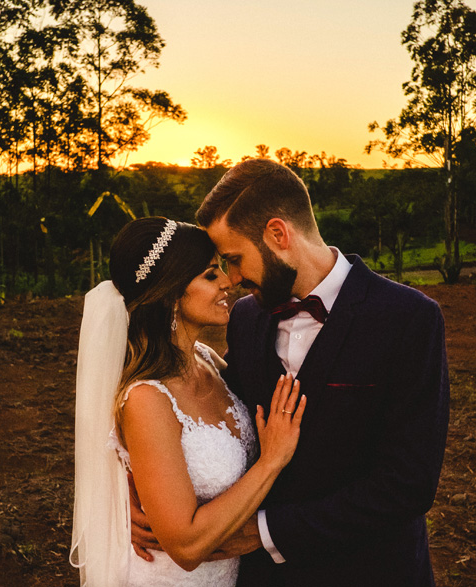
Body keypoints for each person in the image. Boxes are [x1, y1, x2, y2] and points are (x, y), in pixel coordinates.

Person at [132, 159, 450, 586]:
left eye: (235, 259)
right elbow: (215, 423)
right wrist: (142, 494)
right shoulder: (246, 318)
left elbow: (408, 485)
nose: (233, 278)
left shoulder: (409, 319)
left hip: (371, 571)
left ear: (278, 235)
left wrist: (266, 531)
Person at [70, 217, 307, 586]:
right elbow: (186, 547)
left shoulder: (210, 362)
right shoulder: (148, 398)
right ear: (170, 295)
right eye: (211, 275)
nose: (229, 281)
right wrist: (271, 461)